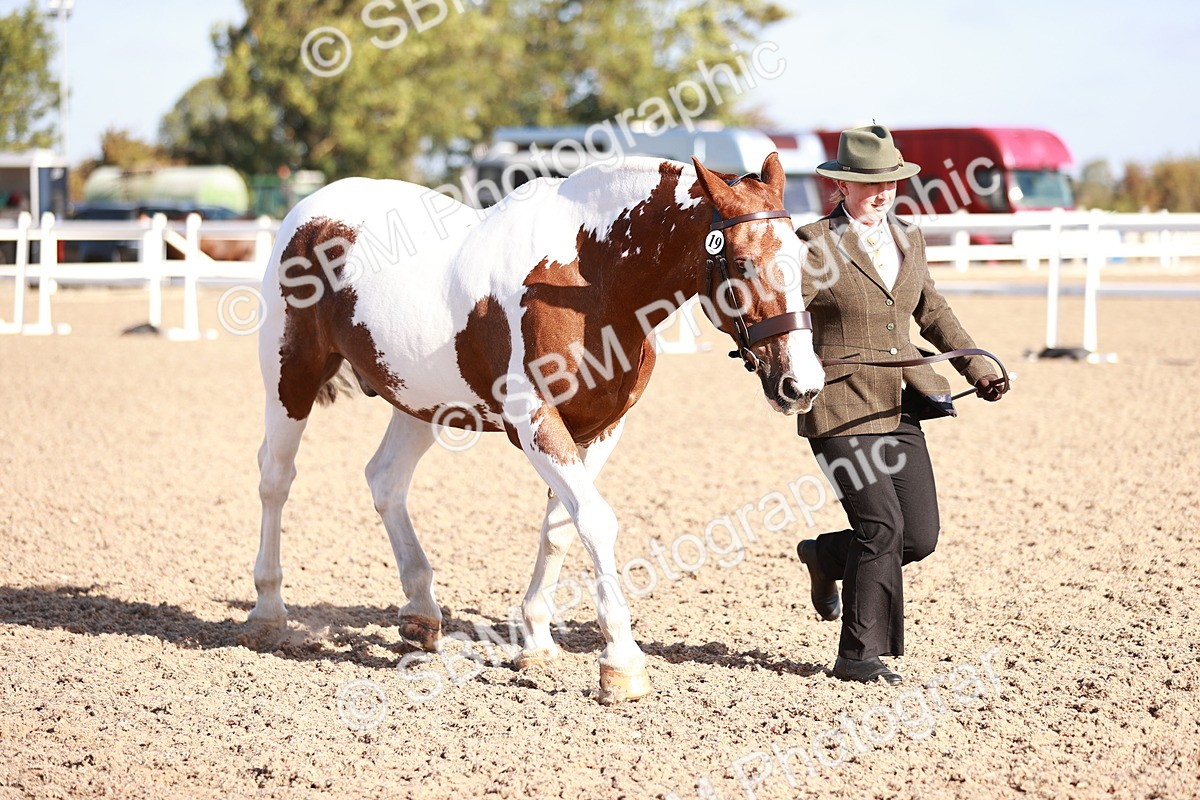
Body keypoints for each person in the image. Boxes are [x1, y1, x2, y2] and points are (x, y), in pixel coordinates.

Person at [794, 124, 1008, 685]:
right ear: (842, 187)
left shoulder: (909, 239)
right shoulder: (814, 244)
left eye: (890, 180)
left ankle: (824, 559)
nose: (882, 192)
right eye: (869, 183)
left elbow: (931, 310)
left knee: (918, 536)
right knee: (880, 525)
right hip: (839, 405)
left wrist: (976, 364)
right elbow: (783, 314)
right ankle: (858, 657)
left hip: (901, 399)